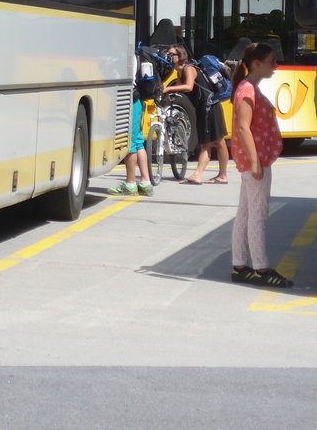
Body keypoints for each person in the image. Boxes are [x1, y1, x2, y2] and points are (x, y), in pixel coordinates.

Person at [229, 42, 292, 287]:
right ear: (256, 64)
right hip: (256, 161)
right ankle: (262, 269)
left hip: (254, 159)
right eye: (271, 61)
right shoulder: (247, 91)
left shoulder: (248, 88)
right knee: (257, 216)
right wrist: (255, 162)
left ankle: (240, 265)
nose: (275, 66)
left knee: (245, 213)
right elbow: (244, 127)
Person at [164, 45, 229, 185]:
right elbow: (181, 87)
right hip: (203, 108)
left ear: (179, 57)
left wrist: (168, 88)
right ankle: (218, 175)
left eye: (171, 54)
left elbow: (188, 87)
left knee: (216, 142)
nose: (168, 56)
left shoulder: (189, 69)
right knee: (211, 142)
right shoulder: (180, 72)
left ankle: (203, 175)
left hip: (210, 107)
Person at [108, 93, 153, 196]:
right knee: (138, 142)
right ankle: (146, 183)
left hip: (132, 101)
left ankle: (130, 184)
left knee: (130, 143)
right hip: (138, 101)